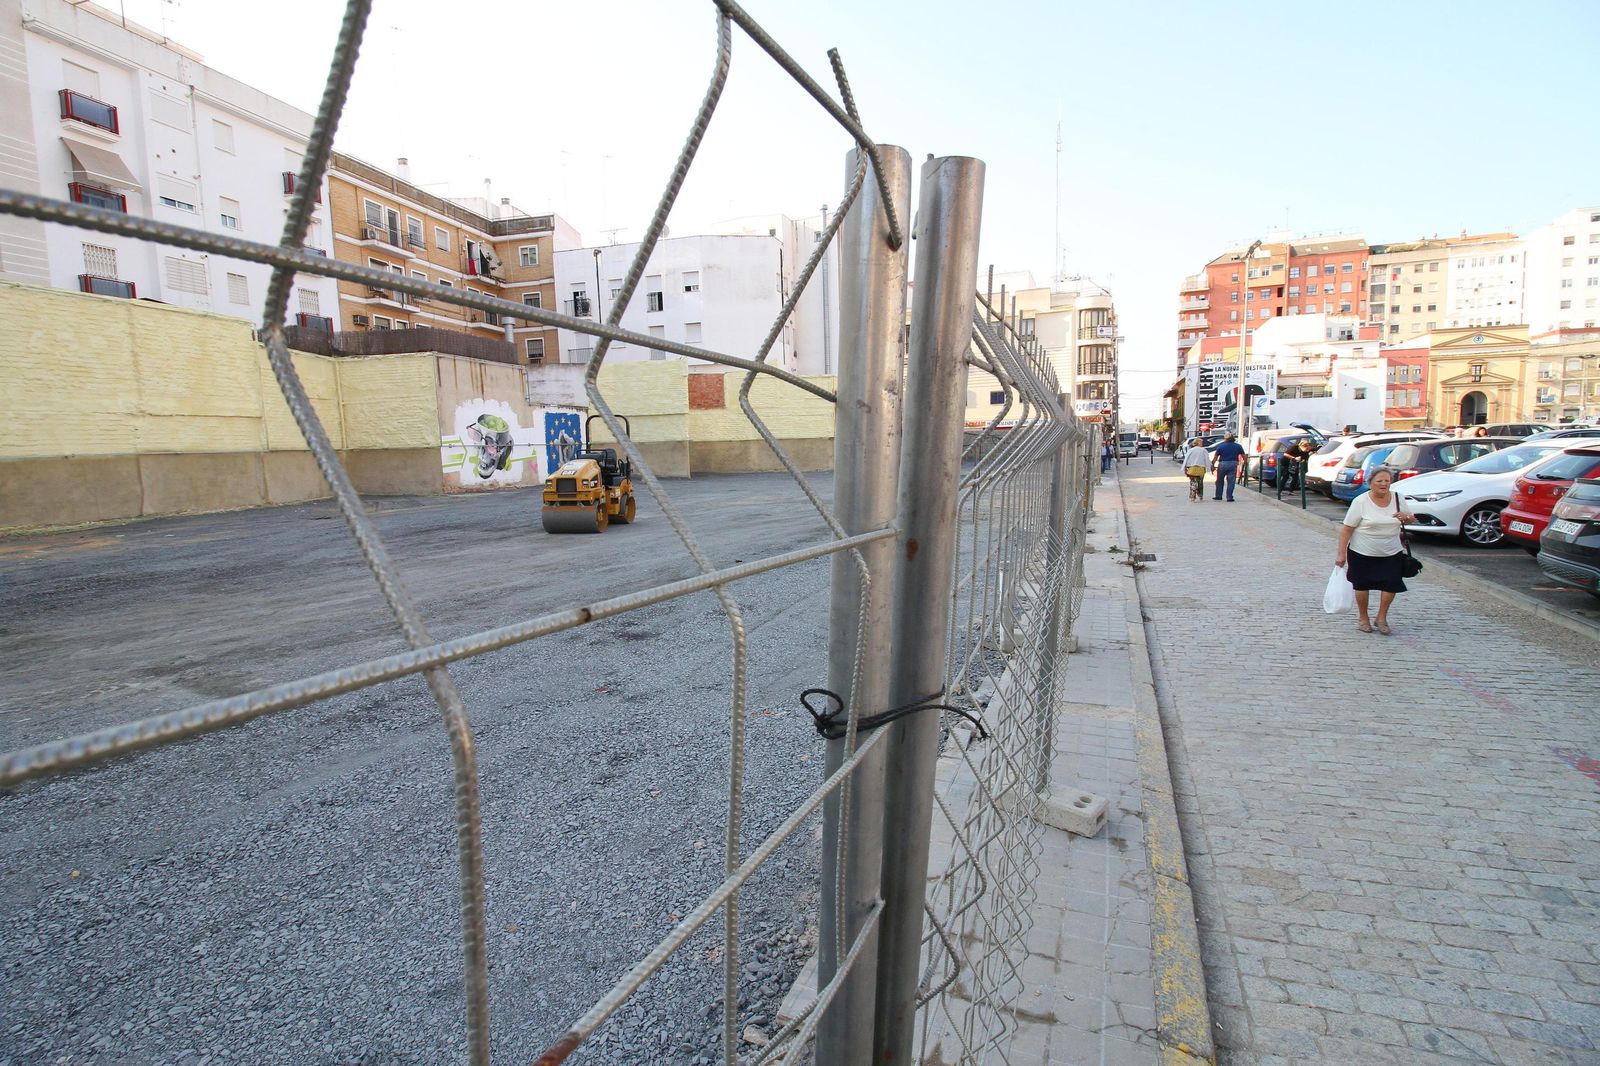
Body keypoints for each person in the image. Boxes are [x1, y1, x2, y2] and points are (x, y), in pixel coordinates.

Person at [1335, 466, 1415, 635]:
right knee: (1362, 585)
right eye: (1379, 481)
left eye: (1387, 481)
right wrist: (1341, 553)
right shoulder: (1361, 501)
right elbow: (1347, 529)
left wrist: (1406, 518)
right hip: (1362, 551)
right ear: (1370, 483)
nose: (1384, 484)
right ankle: (1363, 618)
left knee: (1391, 584)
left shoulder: (1398, 498)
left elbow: (1410, 519)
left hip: (1391, 552)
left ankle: (1381, 618)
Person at [1210, 432, 1246, 501]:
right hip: (1233, 464)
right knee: (1231, 481)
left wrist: (1213, 464)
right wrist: (1245, 462)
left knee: (1219, 480)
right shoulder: (1238, 446)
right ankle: (1229, 497)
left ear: (1225, 439)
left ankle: (1218, 496)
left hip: (1223, 464)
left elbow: (1215, 457)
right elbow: (1244, 456)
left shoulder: (1221, 446)